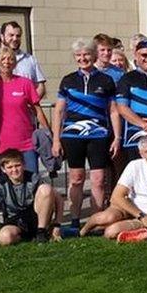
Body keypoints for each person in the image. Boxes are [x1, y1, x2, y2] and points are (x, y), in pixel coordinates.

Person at [52, 39, 121, 228]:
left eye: (86, 54)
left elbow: (114, 110)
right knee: (76, 179)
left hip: (99, 136)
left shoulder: (106, 80)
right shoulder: (68, 80)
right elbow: (58, 111)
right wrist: (56, 140)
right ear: (75, 58)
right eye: (79, 55)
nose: (83, 58)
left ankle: (95, 220)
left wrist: (117, 137)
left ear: (94, 55)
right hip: (72, 136)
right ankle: (75, 220)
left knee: (98, 180)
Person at [79, 135, 147, 238]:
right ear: (141, 154)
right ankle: (82, 232)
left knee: (110, 232)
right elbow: (116, 197)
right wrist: (142, 217)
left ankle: (142, 233)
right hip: (133, 211)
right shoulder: (134, 165)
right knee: (104, 217)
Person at [0, 149, 63, 245]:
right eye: (9, 167)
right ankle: (29, 236)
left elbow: (59, 199)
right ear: (3, 169)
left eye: (17, 165)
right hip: (14, 220)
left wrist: (57, 224)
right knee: (4, 238)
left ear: (24, 165)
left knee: (46, 189)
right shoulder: (0, 183)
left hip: (35, 217)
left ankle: (41, 232)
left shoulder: (34, 178)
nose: (14, 170)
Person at [0, 48, 50, 177]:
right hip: (2, 143)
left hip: (26, 142)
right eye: (3, 59)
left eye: (11, 59)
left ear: (15, 63)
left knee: (32, 182)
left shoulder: (25, 83)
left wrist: (49, 133)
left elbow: (37, 111)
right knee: (5, 186)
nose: (7, 62)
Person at [0, 21, 47, 99]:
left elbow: (40, 86)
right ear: (2, 37)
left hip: (26, 110)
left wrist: (31, 103)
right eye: (11, 35)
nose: (15, 39)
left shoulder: (30, 59)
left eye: (18, 36)